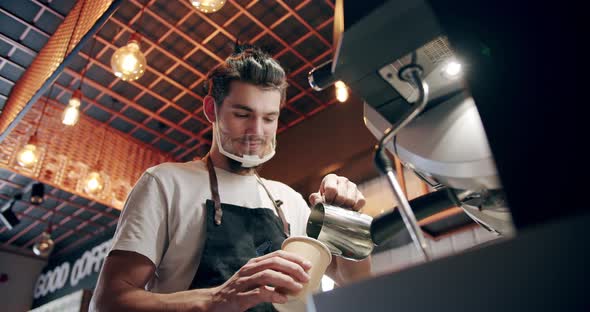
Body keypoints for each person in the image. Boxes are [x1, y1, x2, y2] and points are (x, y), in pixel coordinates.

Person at [90, 47, 371, 312]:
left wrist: (345, 219)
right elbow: (108, 302)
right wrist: (217, 299)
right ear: (212, 110)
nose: (256, 131)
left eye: (269, 118)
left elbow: (356, 283)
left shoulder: (288, 201)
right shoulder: (166, 183)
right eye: (242, 114)